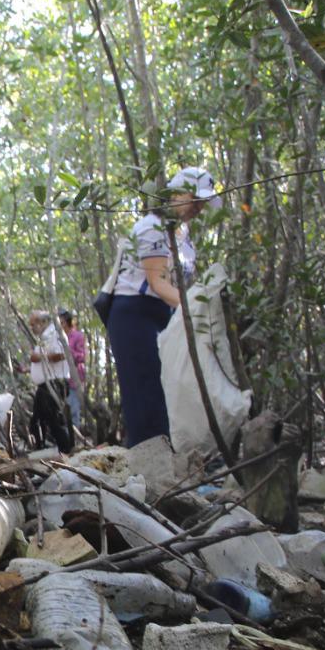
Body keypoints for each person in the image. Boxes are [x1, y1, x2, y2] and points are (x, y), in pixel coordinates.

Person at [106, 167, 221, 447]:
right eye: (195, 200)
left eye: (202, 203)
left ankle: (167, 455)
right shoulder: (152, 227)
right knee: (145, 389)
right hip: (134, 313)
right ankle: (148, 461)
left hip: (164, 313)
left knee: (167, 387)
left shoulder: (182, 232)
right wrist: (194, 308)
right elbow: (156, 282)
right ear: (177, 194)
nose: (198, 208)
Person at [26, 310, 73, 454]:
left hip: (54, 383)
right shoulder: (44, 337)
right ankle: (42, 450)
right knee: (37, 420)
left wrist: (40, 356)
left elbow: (61, 354)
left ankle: (66, 449)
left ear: (43, 322)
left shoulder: (55, 334)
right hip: (45, 384)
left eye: (34, 324)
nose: (32, 328)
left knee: (53, 419)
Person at [58, 308, 87, 433]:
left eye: (62, 322)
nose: (60, 325)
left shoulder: (78, 336)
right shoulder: (57, 338)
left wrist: (69, 352)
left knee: (74, 411)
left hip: (75, 380)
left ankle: (76, 439)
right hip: (61, 380)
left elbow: (82, 357)